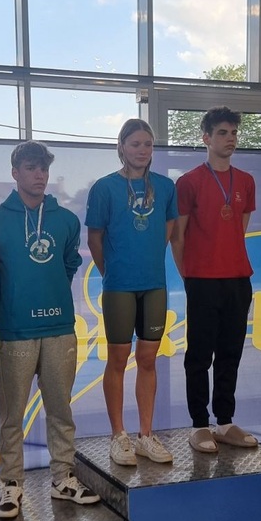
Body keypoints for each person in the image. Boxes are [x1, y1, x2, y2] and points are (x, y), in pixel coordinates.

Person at [0, 140, 99, 520]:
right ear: (15, 173)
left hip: (60, 328)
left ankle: (63, 478)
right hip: (16, 330)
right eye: (31, 168)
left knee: (61, 410)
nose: (39, 175)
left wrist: (50, 292)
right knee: (11, 414)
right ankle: (11, 484)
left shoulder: (66, 221)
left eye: (44, 168)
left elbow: (68, 264)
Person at [85, 118, 178, 466]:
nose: (142, 150)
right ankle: (118, 435)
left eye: (148, 144)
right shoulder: (104, 187)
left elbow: (168, 228)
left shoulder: (165, 187)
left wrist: (147, 261)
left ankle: (145, 435)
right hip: (119, 287)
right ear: (121, 147)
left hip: (154, 285)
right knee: (119, 359)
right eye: (135, 144)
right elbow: (95, 239)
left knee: (149, 359)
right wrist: (113, 272)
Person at [171, 106, 258, 453]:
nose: (230, 139)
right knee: (199, 355)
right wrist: (190, 276)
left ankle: (224, 421)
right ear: (206, 138)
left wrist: (226, 259)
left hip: (237, 279)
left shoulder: (246, 181)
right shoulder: (188, 182)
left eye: (234, 133)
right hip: (202, 280)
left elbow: (239, 228)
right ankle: (199, 424)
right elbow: (178, 236)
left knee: (230, 353)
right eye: (223, 133)